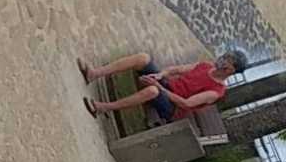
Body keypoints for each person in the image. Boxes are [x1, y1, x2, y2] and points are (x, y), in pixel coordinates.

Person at [78, 50, 248, 122]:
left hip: (171, 107)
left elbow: (186, 104)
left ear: (231, 69)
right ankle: (94, 74)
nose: (223, 59)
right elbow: (178, 69)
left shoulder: (216, 91)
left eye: (228, 60)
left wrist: (159, 87)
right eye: (226, 56)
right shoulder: (206, 65)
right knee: (143, 58)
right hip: (167, 86)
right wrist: (160, 75)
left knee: (152, 90)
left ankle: (104, 108)